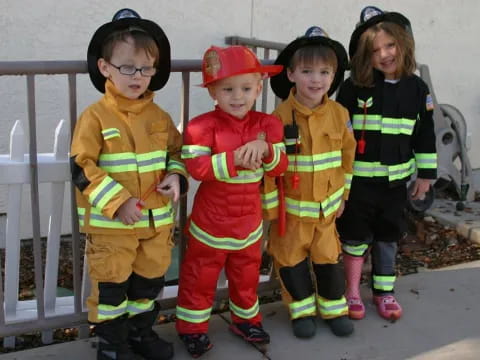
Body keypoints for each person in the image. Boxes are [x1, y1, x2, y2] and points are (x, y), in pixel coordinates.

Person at [70, 8, 187, 360]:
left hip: (155, 226)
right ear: (105, 68)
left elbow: (176, 153)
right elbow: (81, 165)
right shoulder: (95, 116)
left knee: (148, 285)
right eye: (127, 67)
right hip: (112, 229)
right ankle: (112, 344)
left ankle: (140, 334)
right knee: (111, 290)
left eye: (146, 68)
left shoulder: (160, 117)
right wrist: (118, 201)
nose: (137, 76)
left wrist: (176, 176)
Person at [176, 45, 287, 358]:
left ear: (258, 87)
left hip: (249, 224)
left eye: (246, 88)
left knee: (247, 276)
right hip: (210, 223)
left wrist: (265, 150)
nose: (237, 97)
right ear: (212, 90)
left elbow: (280, 167)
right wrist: (236, 158)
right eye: (227, 89)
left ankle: (247, 320)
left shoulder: (268, 125)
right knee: (200, 276)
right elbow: (196, 169)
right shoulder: (201, 127)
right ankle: (192, 329)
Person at [336, 6, 437, 321]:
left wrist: (426, 175)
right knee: (354, 238)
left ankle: (384, 292)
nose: (384, 54)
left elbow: (425, 135)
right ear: (365, 55)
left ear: (403, 44)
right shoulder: (353, 88)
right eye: (375, 49)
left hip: (395, 186)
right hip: (358, 185)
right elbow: (339, 133)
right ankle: (351, 291)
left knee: (388, 238)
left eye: (390, 45)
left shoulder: (417, 89)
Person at [265, 27, 357, 339]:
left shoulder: (340, 114)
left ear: (334, 76)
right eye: (306, 71)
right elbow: (270, 171)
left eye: (324, 72)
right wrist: (271, 210)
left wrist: (344, 194)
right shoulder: (277, 119)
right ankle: (301, 311)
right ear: (290, 74)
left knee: (329, 260)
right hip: (290, 217)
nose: (316, 80)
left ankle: (333, 308)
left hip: (326, 214)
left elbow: (348, 158)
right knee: (290, 264)